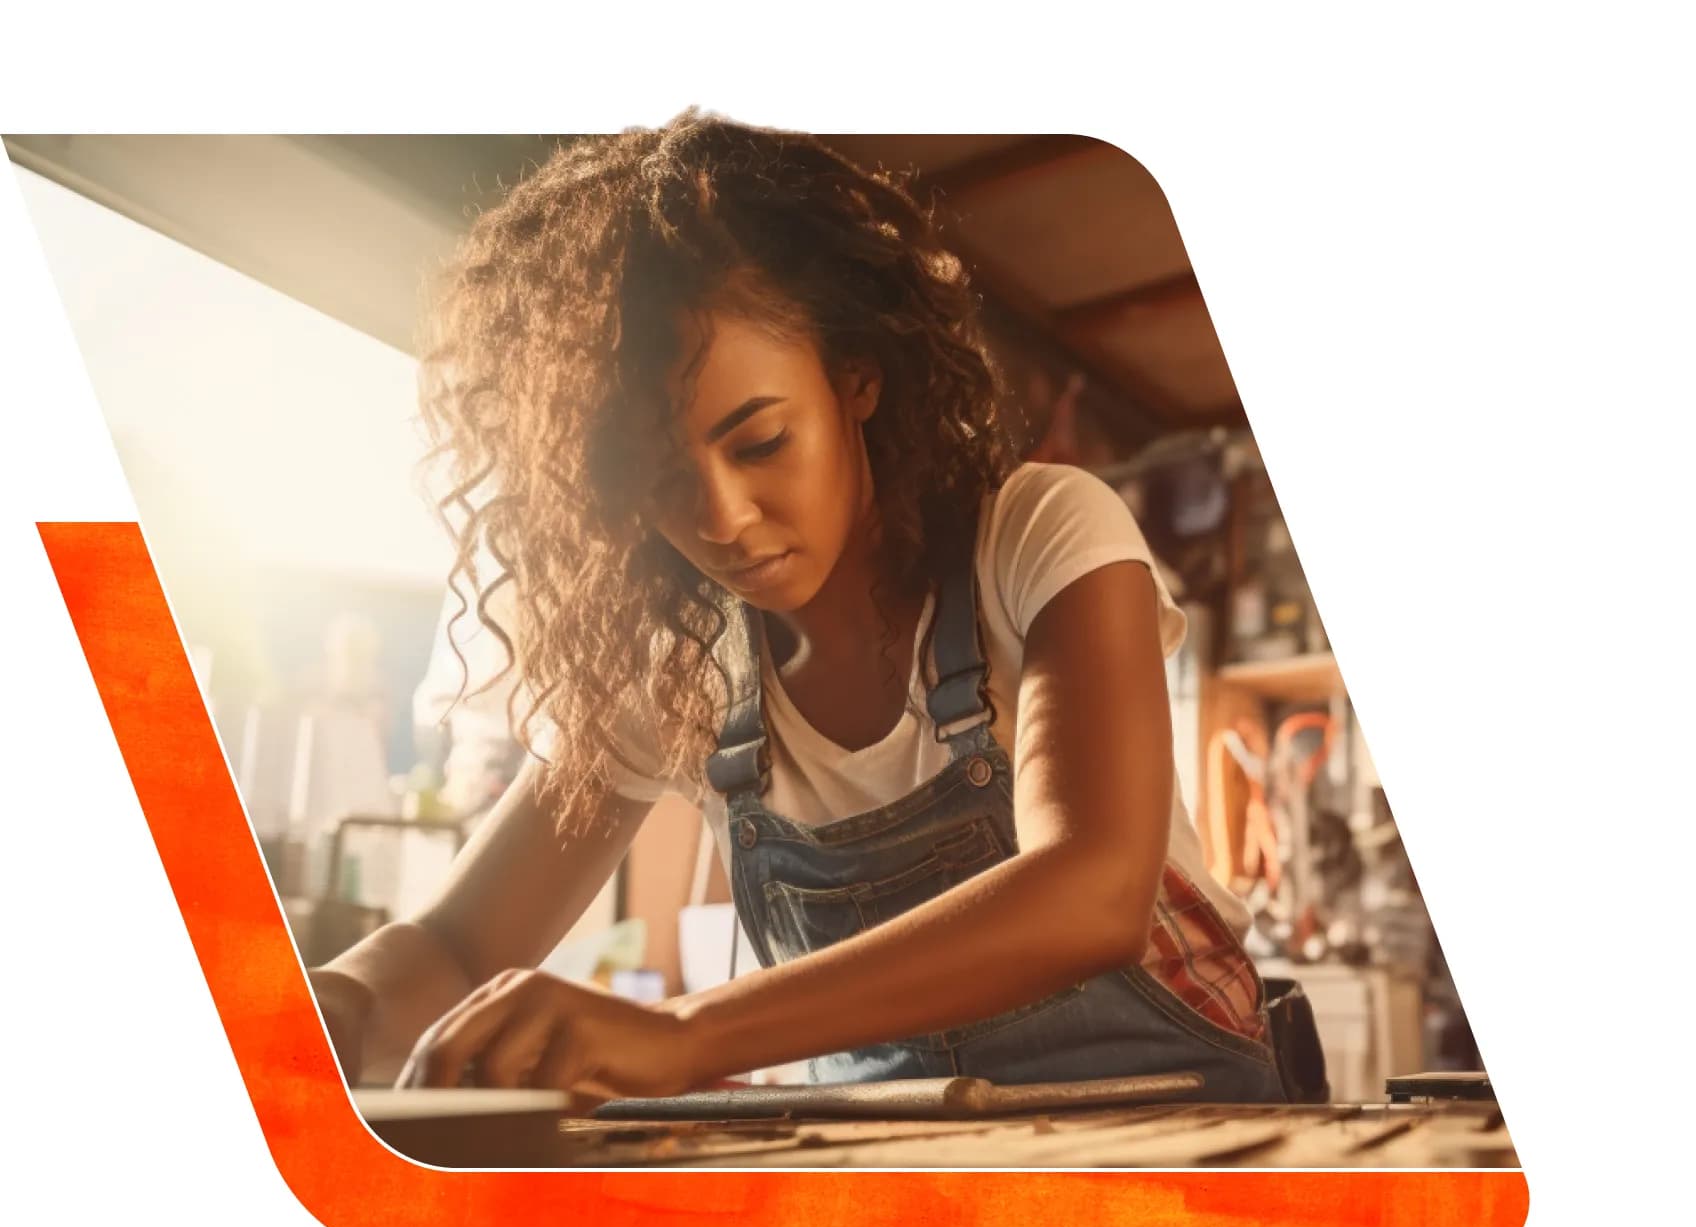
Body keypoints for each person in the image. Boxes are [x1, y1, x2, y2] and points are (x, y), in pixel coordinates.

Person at [308, 110, 1287, 1105]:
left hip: (1183, 1138)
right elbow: (454, 941)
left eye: (760, 442)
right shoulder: (682, 673)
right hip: (897, 1180)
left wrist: (684, 1034)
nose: (721, 518)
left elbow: (1093, 889)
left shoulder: (1038, 535)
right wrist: (325, 1005)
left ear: (854, 378)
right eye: (660, 475)